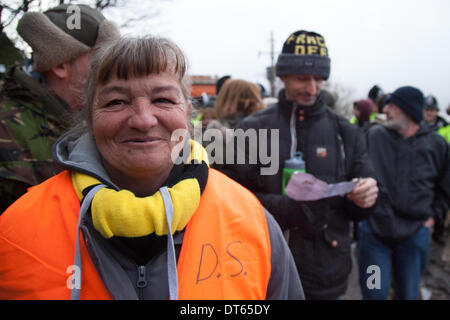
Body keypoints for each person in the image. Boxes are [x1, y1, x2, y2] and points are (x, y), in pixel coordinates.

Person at [0, 36, 304, 300]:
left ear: (187, 113)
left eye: (162, 99)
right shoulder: (15, 232)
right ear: (89, 120)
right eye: (117, 102)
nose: (143, 120)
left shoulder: (252, 221)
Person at [220, 30, 378, 300]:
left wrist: (365, 198)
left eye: (319, 79)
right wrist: (290, 209)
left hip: (326, 273)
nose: (312, 88)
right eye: (303, 78)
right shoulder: (252, 129)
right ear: (283, 76)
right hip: (262, 269)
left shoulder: (346, 133)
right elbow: (227, 201)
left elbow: (361, 207)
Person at [0, 4, 120, 213]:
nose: (110, 73)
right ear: (59, 66)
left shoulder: (92, 119)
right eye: (98, 61)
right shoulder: (6, 125)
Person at [358, 86, 450, 300]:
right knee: (374, 292)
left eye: (392, 105)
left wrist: (433, 217)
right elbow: (357, 169)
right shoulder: (375, 136)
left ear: (408, 110)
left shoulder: (436, 145)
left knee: (408, 294)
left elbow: (445, 187)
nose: (385, 110)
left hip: (414, 234)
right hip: (375, 234)